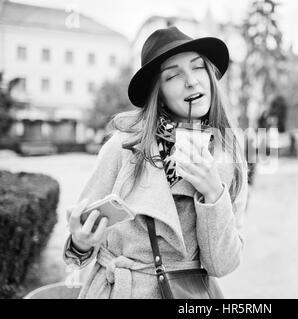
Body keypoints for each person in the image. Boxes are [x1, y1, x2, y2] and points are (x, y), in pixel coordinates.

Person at [63, 26, 249, 299]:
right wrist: (80, 243)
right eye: (173, 75)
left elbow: (223, 265)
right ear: (158, 92)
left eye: (198, 68)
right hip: (120, 290)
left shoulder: (228, 155)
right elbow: (80, 240)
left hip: (186, 294)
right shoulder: (123, 146)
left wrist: (213, 193)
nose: (191, 81)